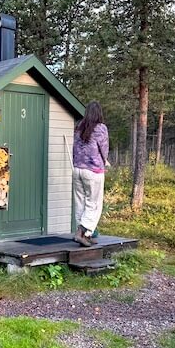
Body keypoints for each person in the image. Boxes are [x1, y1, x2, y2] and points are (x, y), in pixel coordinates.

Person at [72, 101, 109, 247]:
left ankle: (85, 235)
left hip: (77, 169)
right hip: (93, 171)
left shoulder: (79, 126)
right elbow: (104, 148)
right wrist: (105, 160)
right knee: (94, 203)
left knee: (80, 201)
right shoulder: (100, 128)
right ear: (99, 113)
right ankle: (81, 232)